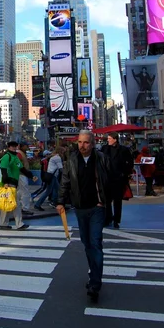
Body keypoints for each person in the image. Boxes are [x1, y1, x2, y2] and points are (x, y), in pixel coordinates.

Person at [56, 130, 110, 303]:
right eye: (80, 142)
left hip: (97, 208)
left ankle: (95, 283)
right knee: (87, 243)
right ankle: (93, 273)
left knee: (95, 243)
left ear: (92, 143)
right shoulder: (71, 159)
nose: (82, 146)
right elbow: (65, 181)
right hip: (80, 208)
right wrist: (60, 201)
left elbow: (110, 180)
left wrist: (104, 200)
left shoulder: (101, 158)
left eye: (86, 142)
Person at [0, 141, 37, 230]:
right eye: (12, 146)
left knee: (8, 203)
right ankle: (19, 224)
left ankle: (3, 223)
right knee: (16, 204)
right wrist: (5, 182)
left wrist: (31, 176)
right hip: (9, 183)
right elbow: (3, 170)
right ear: (8, 147)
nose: (14, 148)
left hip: (11, 183)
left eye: (15, 146)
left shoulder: (14, 157)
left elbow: (22, 169)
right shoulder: (7, 156)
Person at [102, 132, 133, 229]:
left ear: (115, 139)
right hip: (107, 178)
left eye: (110, 138)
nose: (108, 140)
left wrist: (125, 173)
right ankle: (108, 218)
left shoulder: (123, 150)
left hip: (119, 178)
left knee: (117, 201)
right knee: (107, 201)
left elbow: (130, 162)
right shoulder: (104, 149)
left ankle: (116, 220)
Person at [16, 142, 34, 216]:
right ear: (22, 146)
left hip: (20, 175)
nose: (27, 148)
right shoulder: (19, 153)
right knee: (25, 192)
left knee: (20, 192)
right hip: (22, 175)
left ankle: (19, 207)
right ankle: (25, 208)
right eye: (26, 146)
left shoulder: (20, 153)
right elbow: (18, 165)